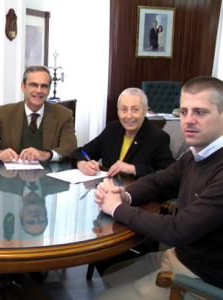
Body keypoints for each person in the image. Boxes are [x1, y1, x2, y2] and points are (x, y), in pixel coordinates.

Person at [93, 76, 223, 299]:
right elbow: (158, 181)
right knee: (109, 277)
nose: (189, 120)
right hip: (178, 257)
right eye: (183, 112)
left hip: (201, 278)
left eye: (200, 112)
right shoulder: (194, 155)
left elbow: (177, 229)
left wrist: (117, 208)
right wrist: (125, 195)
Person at [0, 65, 77, 162]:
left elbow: (70, 148)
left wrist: (46, 155)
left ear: (49, 89)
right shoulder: (5, 113)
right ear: (23, 87)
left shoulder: (63, 115)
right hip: (11, 178)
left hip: (49, 177)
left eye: (44, 86)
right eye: (33, 85)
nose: (39, 90)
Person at [72, 88, 175, 179]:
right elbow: (81, 152)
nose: (129, 116)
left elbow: (169, 176)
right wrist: (82, 164)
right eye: (124, 109)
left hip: (137, 196)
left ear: (145, 110)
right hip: (108, 193)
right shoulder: (112, 129)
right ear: (118, 112)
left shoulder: (158, 137)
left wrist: (134, 169)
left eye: (135, 109)